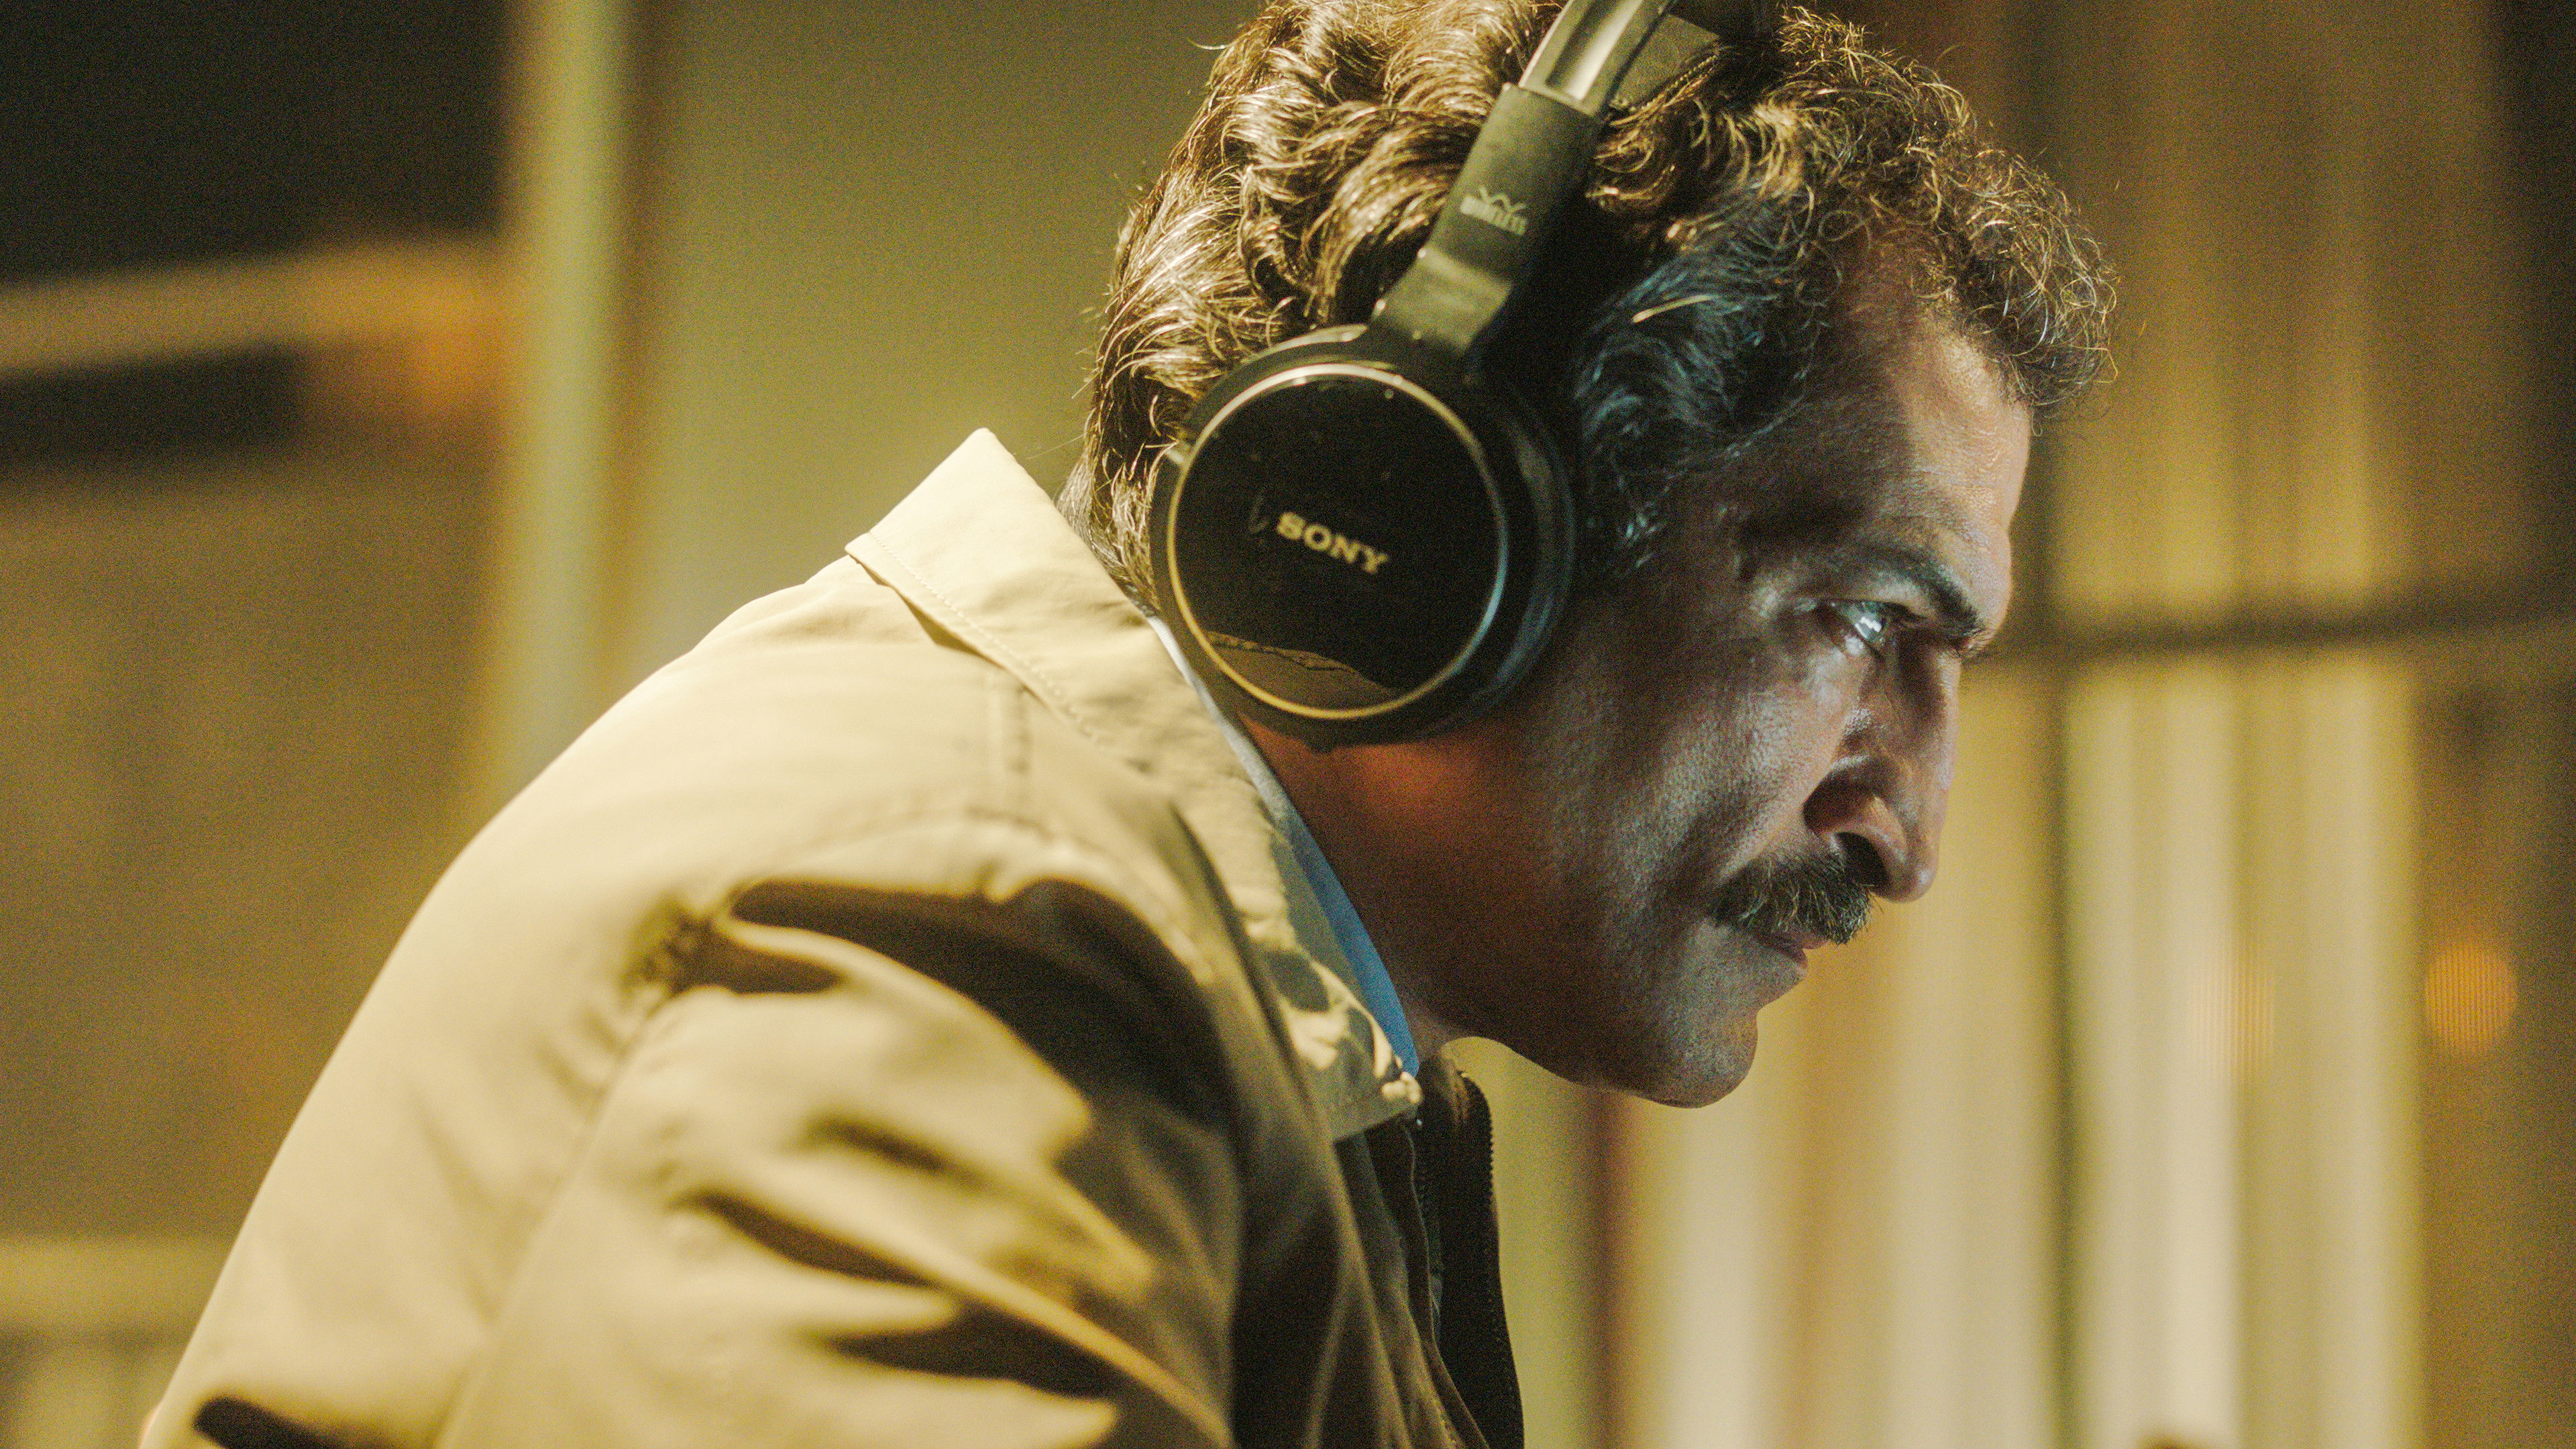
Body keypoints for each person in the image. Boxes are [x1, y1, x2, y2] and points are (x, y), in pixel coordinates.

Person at [147, 4, 2111, 1448]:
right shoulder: (939, 922)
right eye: (1867, 620)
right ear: (1425, 512)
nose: (1908, 831)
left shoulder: (1224, 1003)